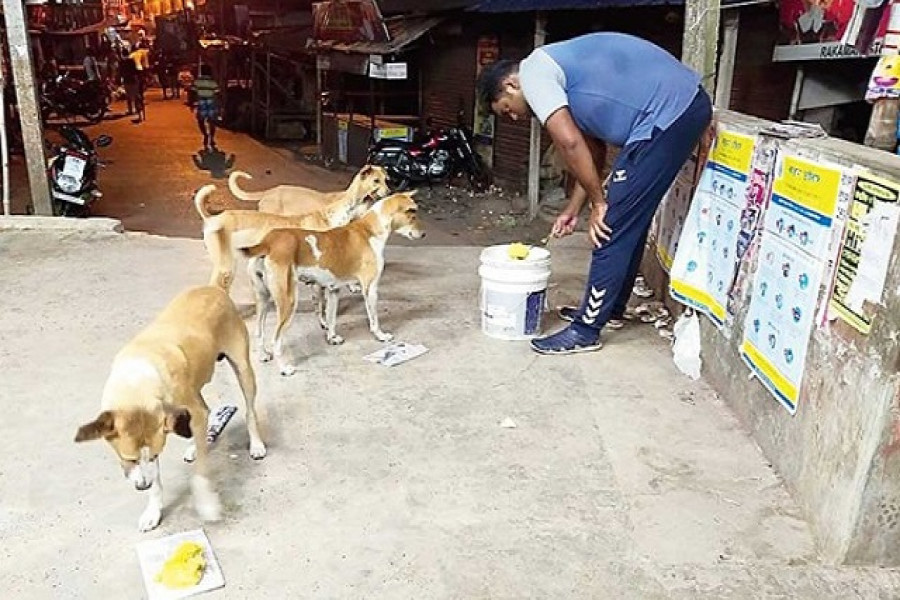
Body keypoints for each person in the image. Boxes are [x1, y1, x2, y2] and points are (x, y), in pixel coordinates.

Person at [477, 32, 712, 355]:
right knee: (628, 218)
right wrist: (575, 207)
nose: (516, 118)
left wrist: (600, 204)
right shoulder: (559, 76)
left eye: (507, 110)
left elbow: (569, 142)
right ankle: (609, 308)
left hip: (669, 113)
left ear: (511, 86)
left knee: (611, 224)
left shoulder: (533, 73)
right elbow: (592, 149)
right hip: (678, 109)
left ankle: (586, 330)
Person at [192, 64, 220, 150]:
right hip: (211, 102)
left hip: (201, 102)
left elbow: (193, 93)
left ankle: (205, 135)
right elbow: (217, 93)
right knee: (212, 122)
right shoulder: (213, 82)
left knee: (200, 121)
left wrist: (193, 104)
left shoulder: (197, 82)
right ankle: (211, 137)